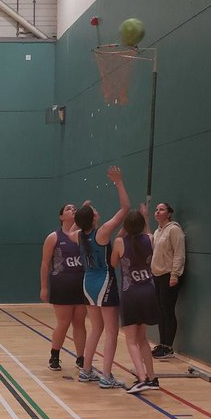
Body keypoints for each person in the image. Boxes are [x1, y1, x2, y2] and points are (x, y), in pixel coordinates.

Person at [73, 165, 130, 388]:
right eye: (94, 210)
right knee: (111, 331)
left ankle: (86, 370)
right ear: (94, 217)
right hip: (104, 281)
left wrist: (82, 211)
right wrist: (118, 182)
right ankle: (106, 375)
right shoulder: (103, 231)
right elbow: (125, 208)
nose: (97, 210)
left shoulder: (78, 235)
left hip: (87, 282)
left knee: (96, 328)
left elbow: (72, 228)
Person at [111, 207, 161, 394]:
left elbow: (112, 263)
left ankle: (142, 379)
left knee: (131, 340)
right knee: (142, 339)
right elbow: (146, 232)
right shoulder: (150, 239)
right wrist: (145, 217)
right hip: (149, 291)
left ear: (126, 226)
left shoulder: (119, 242)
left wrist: (123, 230)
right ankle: (152, 377)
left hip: (131, 293)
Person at [39, 203, 86, 372]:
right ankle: (55, 355)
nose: (72, 210)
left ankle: (81, 358)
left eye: (74, 208)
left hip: (80, 284)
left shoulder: (81, 236)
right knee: (64, 322)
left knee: (80, 323)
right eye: (68, 209)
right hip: (61, 284)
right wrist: (44, 287)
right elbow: (45, 264)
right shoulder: (54, 237)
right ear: (61, 217)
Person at [150, 201, 186, 358]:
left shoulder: (174, 230)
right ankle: (162, 344)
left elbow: (179, 253)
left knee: (168, 311)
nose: (157, 212)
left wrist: (175, 274)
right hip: (157, 276)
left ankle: (168, 347)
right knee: (160, 312)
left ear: (169, 213)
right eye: (156, 209)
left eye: (161, 209)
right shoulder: (157, 232)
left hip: (168, 276)